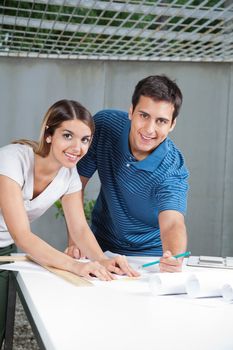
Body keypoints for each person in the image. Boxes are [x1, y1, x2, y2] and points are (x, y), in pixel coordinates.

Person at [0, 99, 138, 348]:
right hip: (13, 240)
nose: (77, 147)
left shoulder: (68, 175)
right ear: (49, 134)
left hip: (3, 250)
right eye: (68, 135)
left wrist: (101, 259)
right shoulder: (12, 160)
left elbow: (79, 228)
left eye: (85, 139)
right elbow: (22, 235)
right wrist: (75, 266)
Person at [76, 75, 189, 273]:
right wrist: (77, 240)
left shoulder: (172, 168)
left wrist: (173, 257)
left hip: (149, 258)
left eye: (161, 121)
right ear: (131, 111)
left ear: (172, 124)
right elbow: (76, 184)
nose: (149, 129)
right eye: (144, 115)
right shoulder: (104, 126)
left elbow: (172, 223)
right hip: (99, 245)